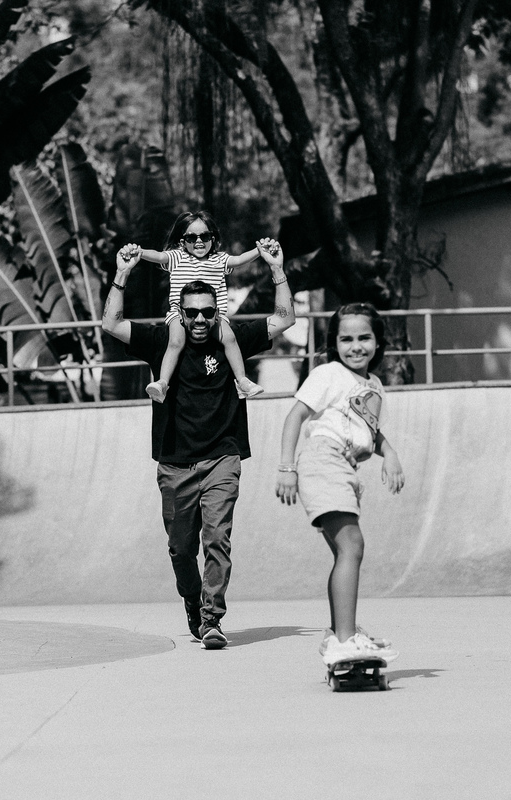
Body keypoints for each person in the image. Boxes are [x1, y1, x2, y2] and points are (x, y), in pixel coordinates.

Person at [101, 236, 295, 649]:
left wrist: (277, 269)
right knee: (180, 548)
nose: (201, 320)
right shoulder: (163, 342)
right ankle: (192, 597)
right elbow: (112, 325)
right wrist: (122, 274)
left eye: (208, 312)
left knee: (217, 539)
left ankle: (211, 619)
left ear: (216, 311)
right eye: (192, 314)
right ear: (181, 313)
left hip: (223, 457)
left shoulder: (230, 337)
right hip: (175, 463)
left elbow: (283, 320)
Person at [275, 303, 404, 666]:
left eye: (364, 338)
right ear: (334, 343)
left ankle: (339, 633)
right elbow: (296, 416)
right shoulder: (329, 373)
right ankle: (345, 639)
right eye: (346, 339)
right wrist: (286, 467)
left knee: (345, 551)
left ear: (378, 342)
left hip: (345, 468)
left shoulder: (374, 386)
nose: (356, 346)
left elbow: (371, 432)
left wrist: (390, 453)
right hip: (323, 459)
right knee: (352, 545)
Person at [119, 211, 267, 404]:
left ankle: (242, 381)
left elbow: (239, 260)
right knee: (176, 341)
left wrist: (259, 250)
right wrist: (138, 252)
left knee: (230, 339)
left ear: (212, 239)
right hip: (180, 315)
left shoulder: (219, 259)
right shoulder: (177, 257)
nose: (198, 241)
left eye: (204, 236)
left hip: (213, 316)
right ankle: (163, 383)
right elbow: (159, 256)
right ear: (182, 242)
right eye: (191, 237)